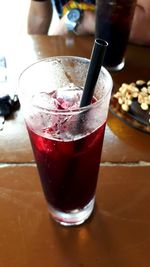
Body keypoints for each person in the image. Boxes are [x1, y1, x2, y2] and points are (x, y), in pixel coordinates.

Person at [27, 0, 150, 46]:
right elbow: (38, 16)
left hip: (126, 58)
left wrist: (83, 20)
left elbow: (146, 27)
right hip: (72, 54)